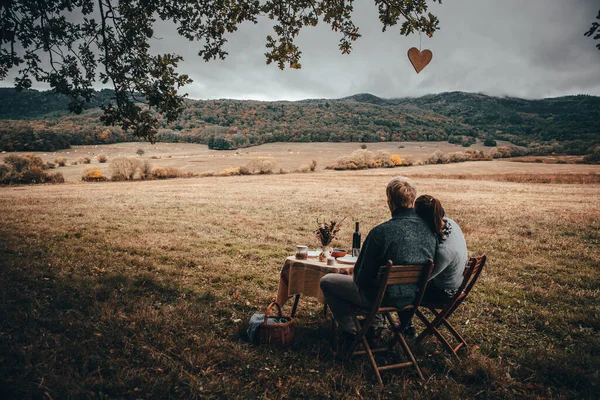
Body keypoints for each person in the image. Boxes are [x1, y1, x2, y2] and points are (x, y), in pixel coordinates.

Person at [320, 177, 437, 346]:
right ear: (412, 200)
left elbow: (361, 278)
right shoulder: (429, 231)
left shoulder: (381, 232)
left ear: (390, 201)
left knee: (327, 281)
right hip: (412, 298)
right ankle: (374, 326)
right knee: (376, 284)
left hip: (380, 298)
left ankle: (353, 331)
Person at [414, 195, 468, 304]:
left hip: (446, 294)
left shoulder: (444, 251)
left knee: (403, 294)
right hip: (459, 284)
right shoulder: (451, 223)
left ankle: (405, 321)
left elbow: (423, 279)